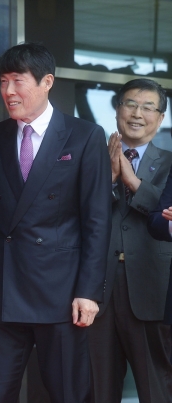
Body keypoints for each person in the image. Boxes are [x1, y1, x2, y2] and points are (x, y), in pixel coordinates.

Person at [0, 42, 111, 403]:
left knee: (67, 394)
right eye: (3, 81)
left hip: (62, 294)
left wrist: (89, 291)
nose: (8, 91)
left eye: (18, 81)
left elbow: (97, 220)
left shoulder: (84, 136)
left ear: (47, 82)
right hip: (3, 288)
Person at [90, 78, 172, 402]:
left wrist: (133, 181)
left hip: (152, 291)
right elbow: (74, 214)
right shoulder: (92, 158)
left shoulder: (170, 163)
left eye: (148, 107)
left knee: (158, 389)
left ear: (161, 117)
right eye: (130, 104)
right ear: (117, 110)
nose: (138, 113)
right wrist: (109, 180)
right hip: (98, 293)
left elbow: (165, 215)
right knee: (97, 389)